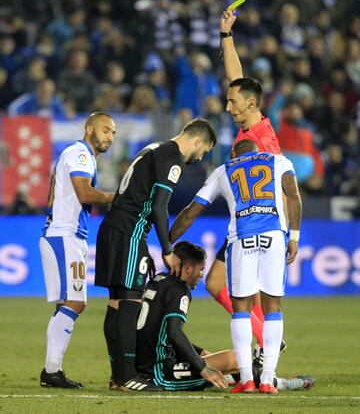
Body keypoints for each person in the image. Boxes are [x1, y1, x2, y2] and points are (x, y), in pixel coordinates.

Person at [170, 139, 302, 394]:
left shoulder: (224, 169)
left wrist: (168, 242)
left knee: (240, 309)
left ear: (233, 153)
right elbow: (293, 196)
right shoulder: (278, 161)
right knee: (273, 305)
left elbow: (191, 210)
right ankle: (267, 379)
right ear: (258, 152)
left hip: (242, 238)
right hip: (274, 236)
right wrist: (294, 237)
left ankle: (247, 380)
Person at [95, 118, 217, 391]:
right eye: (204, 150)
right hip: (129, 231)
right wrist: (167, 250)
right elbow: (160, 205)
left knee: (116, 304)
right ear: (197, 141)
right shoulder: (172, 158)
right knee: (128, 304)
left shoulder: (153, 148)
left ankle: (119, 376)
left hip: (115, 228)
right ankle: (127, 376)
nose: (200, 157)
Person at [134, 241, 314, 392]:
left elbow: (163, 331)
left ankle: (236, 377)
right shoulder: (179, 290)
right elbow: (174, 333)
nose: (201, 275)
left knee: (228, 360)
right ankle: (282, 383)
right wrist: (203, 368)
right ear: (188, 268)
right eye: (201, 269)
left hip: (146, 362)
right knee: (235, 360)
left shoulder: (159, 281)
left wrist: (199, 353)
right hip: (160, 372)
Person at [205, 9, 283, 350]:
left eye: (232, 102)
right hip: (248, 222)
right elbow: (236, 80)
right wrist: (226, 36)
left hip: (256, 225)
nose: (227, 106)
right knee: (227, 286)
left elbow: (282, 184)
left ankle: (266, 341)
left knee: (225, 285)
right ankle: (265, 340)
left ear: (250, 104)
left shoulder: (262, 142)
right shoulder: (254, 123)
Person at [39, 111, 116, 389]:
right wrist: (116, 197)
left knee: (67, 304)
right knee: (75, 302)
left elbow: (53, 196)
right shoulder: (80, 153)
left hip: (68, 234)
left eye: (113, 133)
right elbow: (85, 194)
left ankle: (52, 369)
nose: (110, 136)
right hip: (64, 235)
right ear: (89, 129)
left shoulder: (78, 156)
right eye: (105, 130)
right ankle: (51, 371)